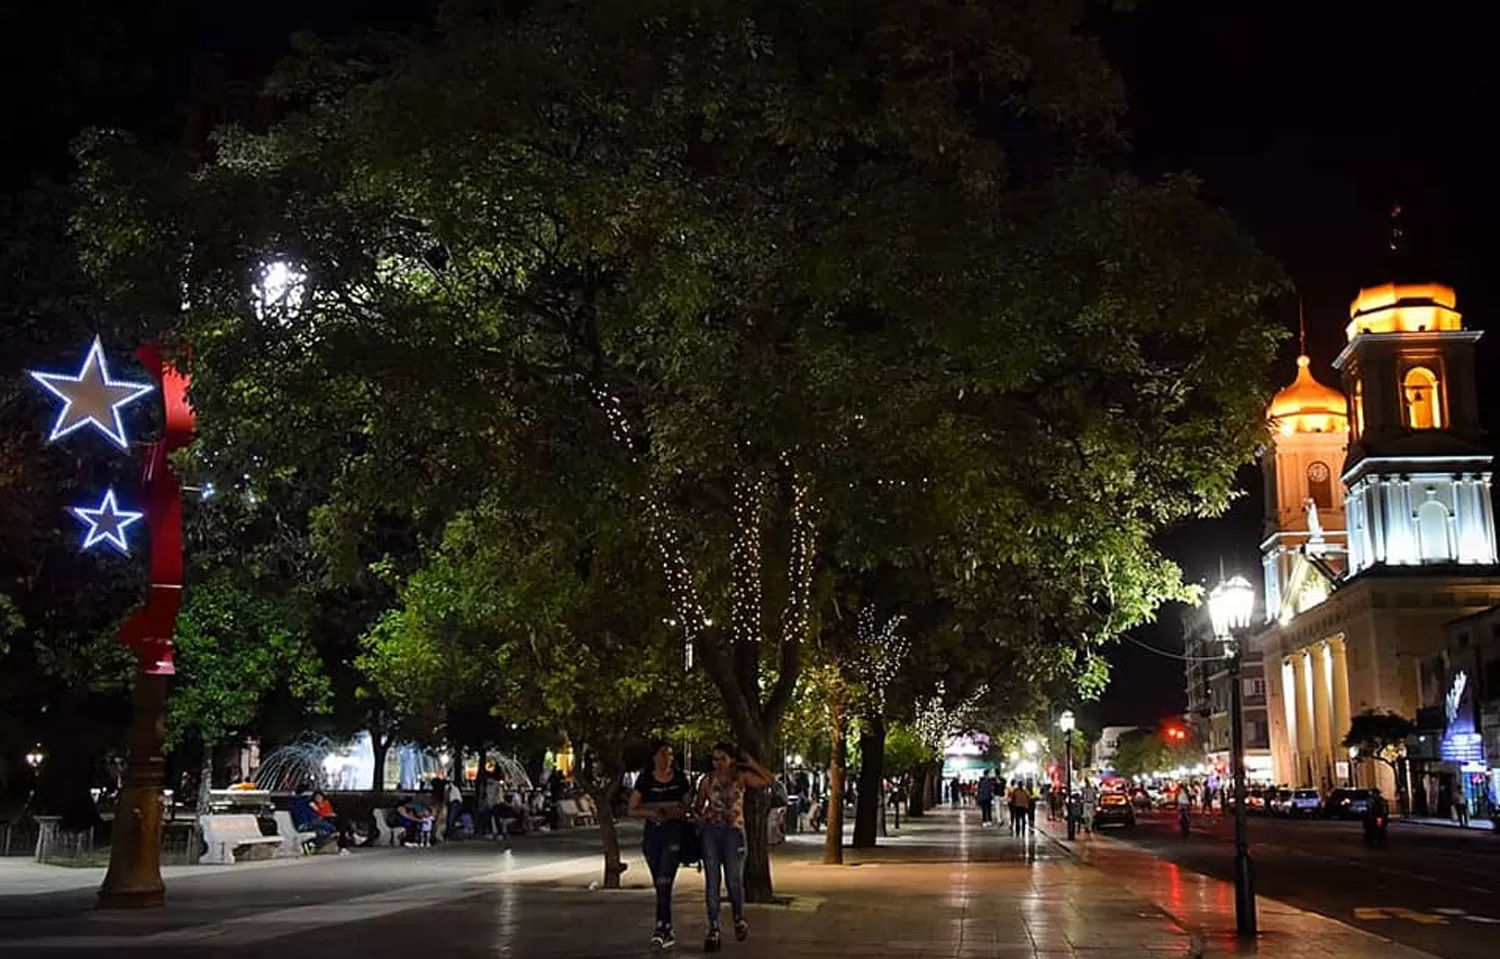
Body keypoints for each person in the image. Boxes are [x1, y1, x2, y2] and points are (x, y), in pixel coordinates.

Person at [694, 743, 774, 952]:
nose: (718, 763)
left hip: (734, 833)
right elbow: (698, 806)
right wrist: (703, 817)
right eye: (714, 759)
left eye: (722, 758)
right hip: (712, 832)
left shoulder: (741, 778)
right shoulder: (707, 781)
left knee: (733, 880)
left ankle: (738, 918)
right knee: (712, 881)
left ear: (731, 760)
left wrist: (752, 763)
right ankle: (713, 928)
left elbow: (769, 780)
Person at [629, 741, 693, 949]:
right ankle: (666, 926)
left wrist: (671, 812)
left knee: (665, 881)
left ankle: (661, 927)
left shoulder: (680, 779)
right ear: (654, 757)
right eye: (664, 754)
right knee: (660, 883)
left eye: (671, 755)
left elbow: (686, 805)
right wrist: (653, 813)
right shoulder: (646, 779)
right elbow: (633, 808)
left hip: (673, 834)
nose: (668, 759)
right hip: (652, 835)